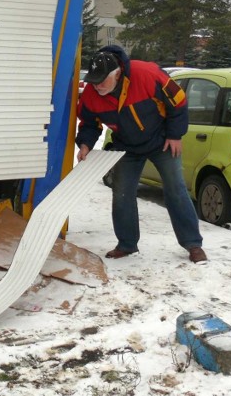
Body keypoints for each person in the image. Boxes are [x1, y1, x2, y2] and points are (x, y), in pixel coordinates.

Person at [75, 45, 207, 264]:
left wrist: (174, 135)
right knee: (122, 194)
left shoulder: (146, 74)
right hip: (126, 146)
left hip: (162, 141)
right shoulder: (92, 94)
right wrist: (86, 144)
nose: (96, 85)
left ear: (116, 73)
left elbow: (179, 101)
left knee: (176, 190)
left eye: (101, 80)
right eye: (94, 80)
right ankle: (127, 244)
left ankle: (193, 244)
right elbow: (89, 123)